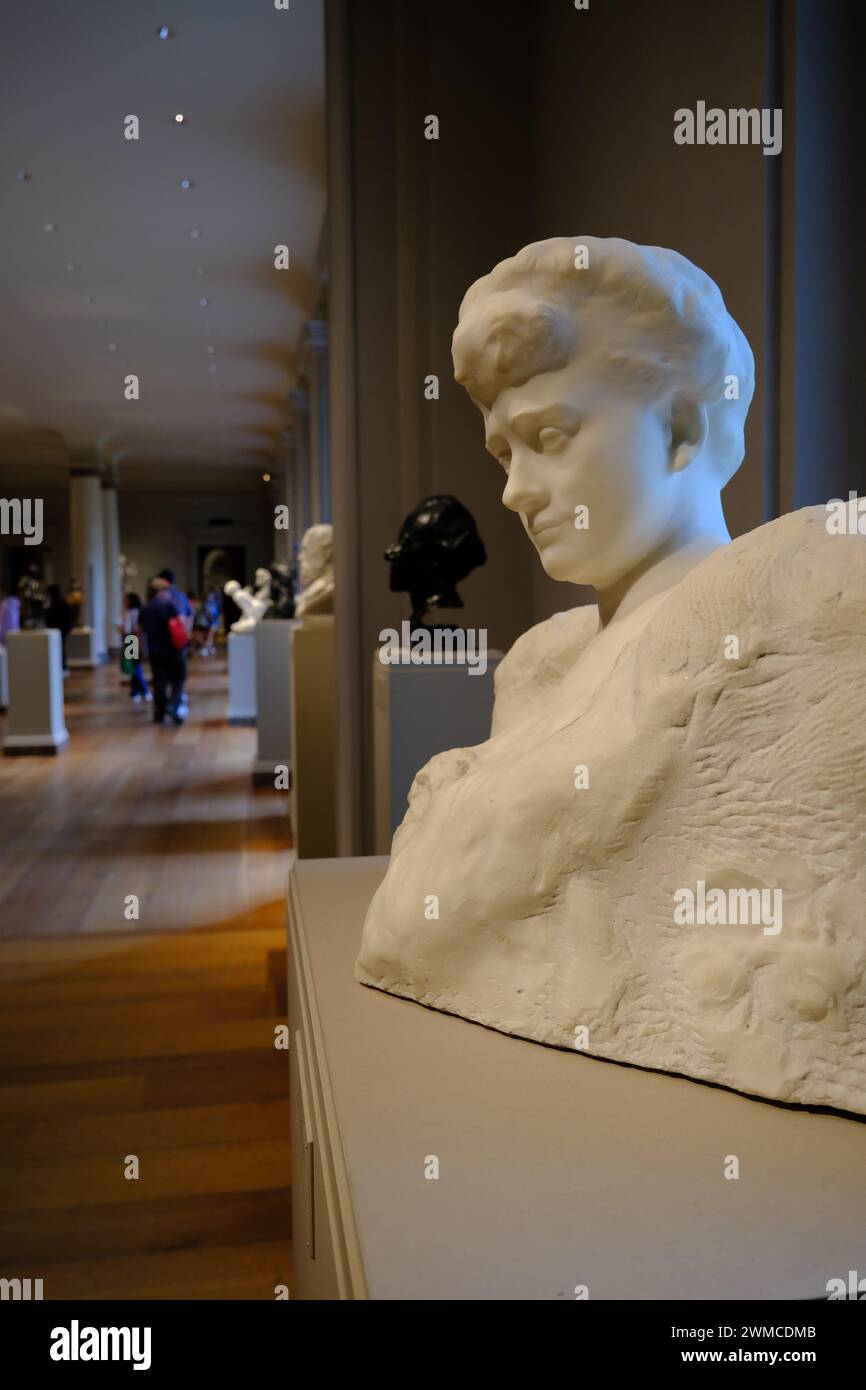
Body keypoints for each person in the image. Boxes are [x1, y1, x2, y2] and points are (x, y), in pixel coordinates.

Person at [138, 577, 187, 726]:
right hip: (173, 649)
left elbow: (138, 631)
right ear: (162, 591)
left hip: (155, 650)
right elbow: (181, 622)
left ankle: (159, 714)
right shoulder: (169, 605)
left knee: (159, 682)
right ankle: (172, 705)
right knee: (178, 680)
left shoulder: (146, 607)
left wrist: (136, 653)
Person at [120, 591, 150, 702]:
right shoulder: (140, 611)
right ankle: (135, 692)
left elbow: (126, 630)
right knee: (135, 666)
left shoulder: (128, 613)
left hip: (130, 639)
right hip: (139, 640)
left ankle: (144, 689)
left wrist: (121, 629)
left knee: (134, 667)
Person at [45, 583, 74, 672]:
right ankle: (61, 666)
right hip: (59, 629)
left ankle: (62, 666)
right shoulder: (57, 603)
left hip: (61, 629)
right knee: (60, 647)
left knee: (60, 647)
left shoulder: (57, 603)